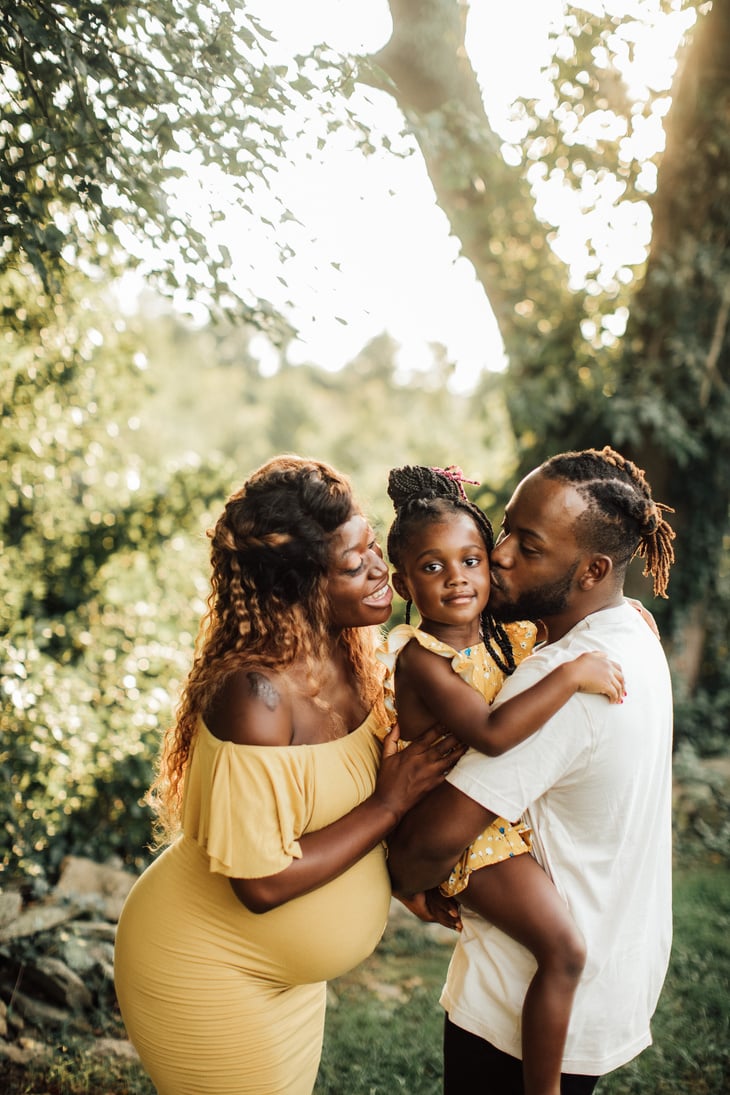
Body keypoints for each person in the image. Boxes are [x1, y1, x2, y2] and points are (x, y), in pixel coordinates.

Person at [113, 455, 464, 1095]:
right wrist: (388, 806)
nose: (384, 571)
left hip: (288, 977)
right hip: (207, 969)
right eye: (355, 565)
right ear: (296, 589)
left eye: (372, 547)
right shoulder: (257, 697)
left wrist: (403, 872)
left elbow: (336, 811)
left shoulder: (348, 649)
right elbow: (262, 884)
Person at [387, 446, 676, 1095]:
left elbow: (422, 849)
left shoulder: (564, 681)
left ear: (592, 568)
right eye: (506, 527)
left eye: (530, 544)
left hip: (518, 1012)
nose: (501, 555)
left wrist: (409, 871)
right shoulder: (629, 628)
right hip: (606, 975)